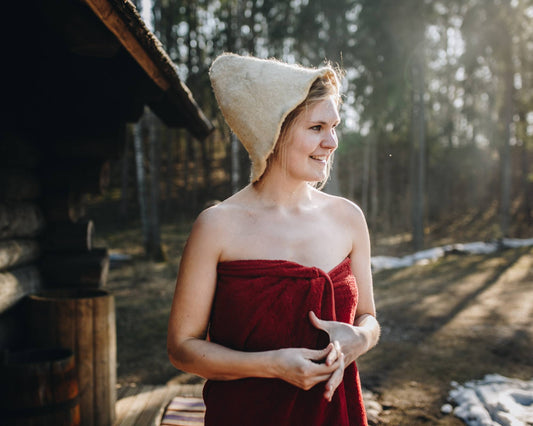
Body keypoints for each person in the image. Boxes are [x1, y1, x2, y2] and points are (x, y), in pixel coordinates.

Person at [167, 53, 380, 426]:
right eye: (316, 128)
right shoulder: (215, 227)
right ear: (275, 131)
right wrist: (270, 365)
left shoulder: (348, 218)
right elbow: (182, 349)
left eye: (334, 127)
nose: (331, 142)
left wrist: (359, 341)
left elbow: (368, 318)